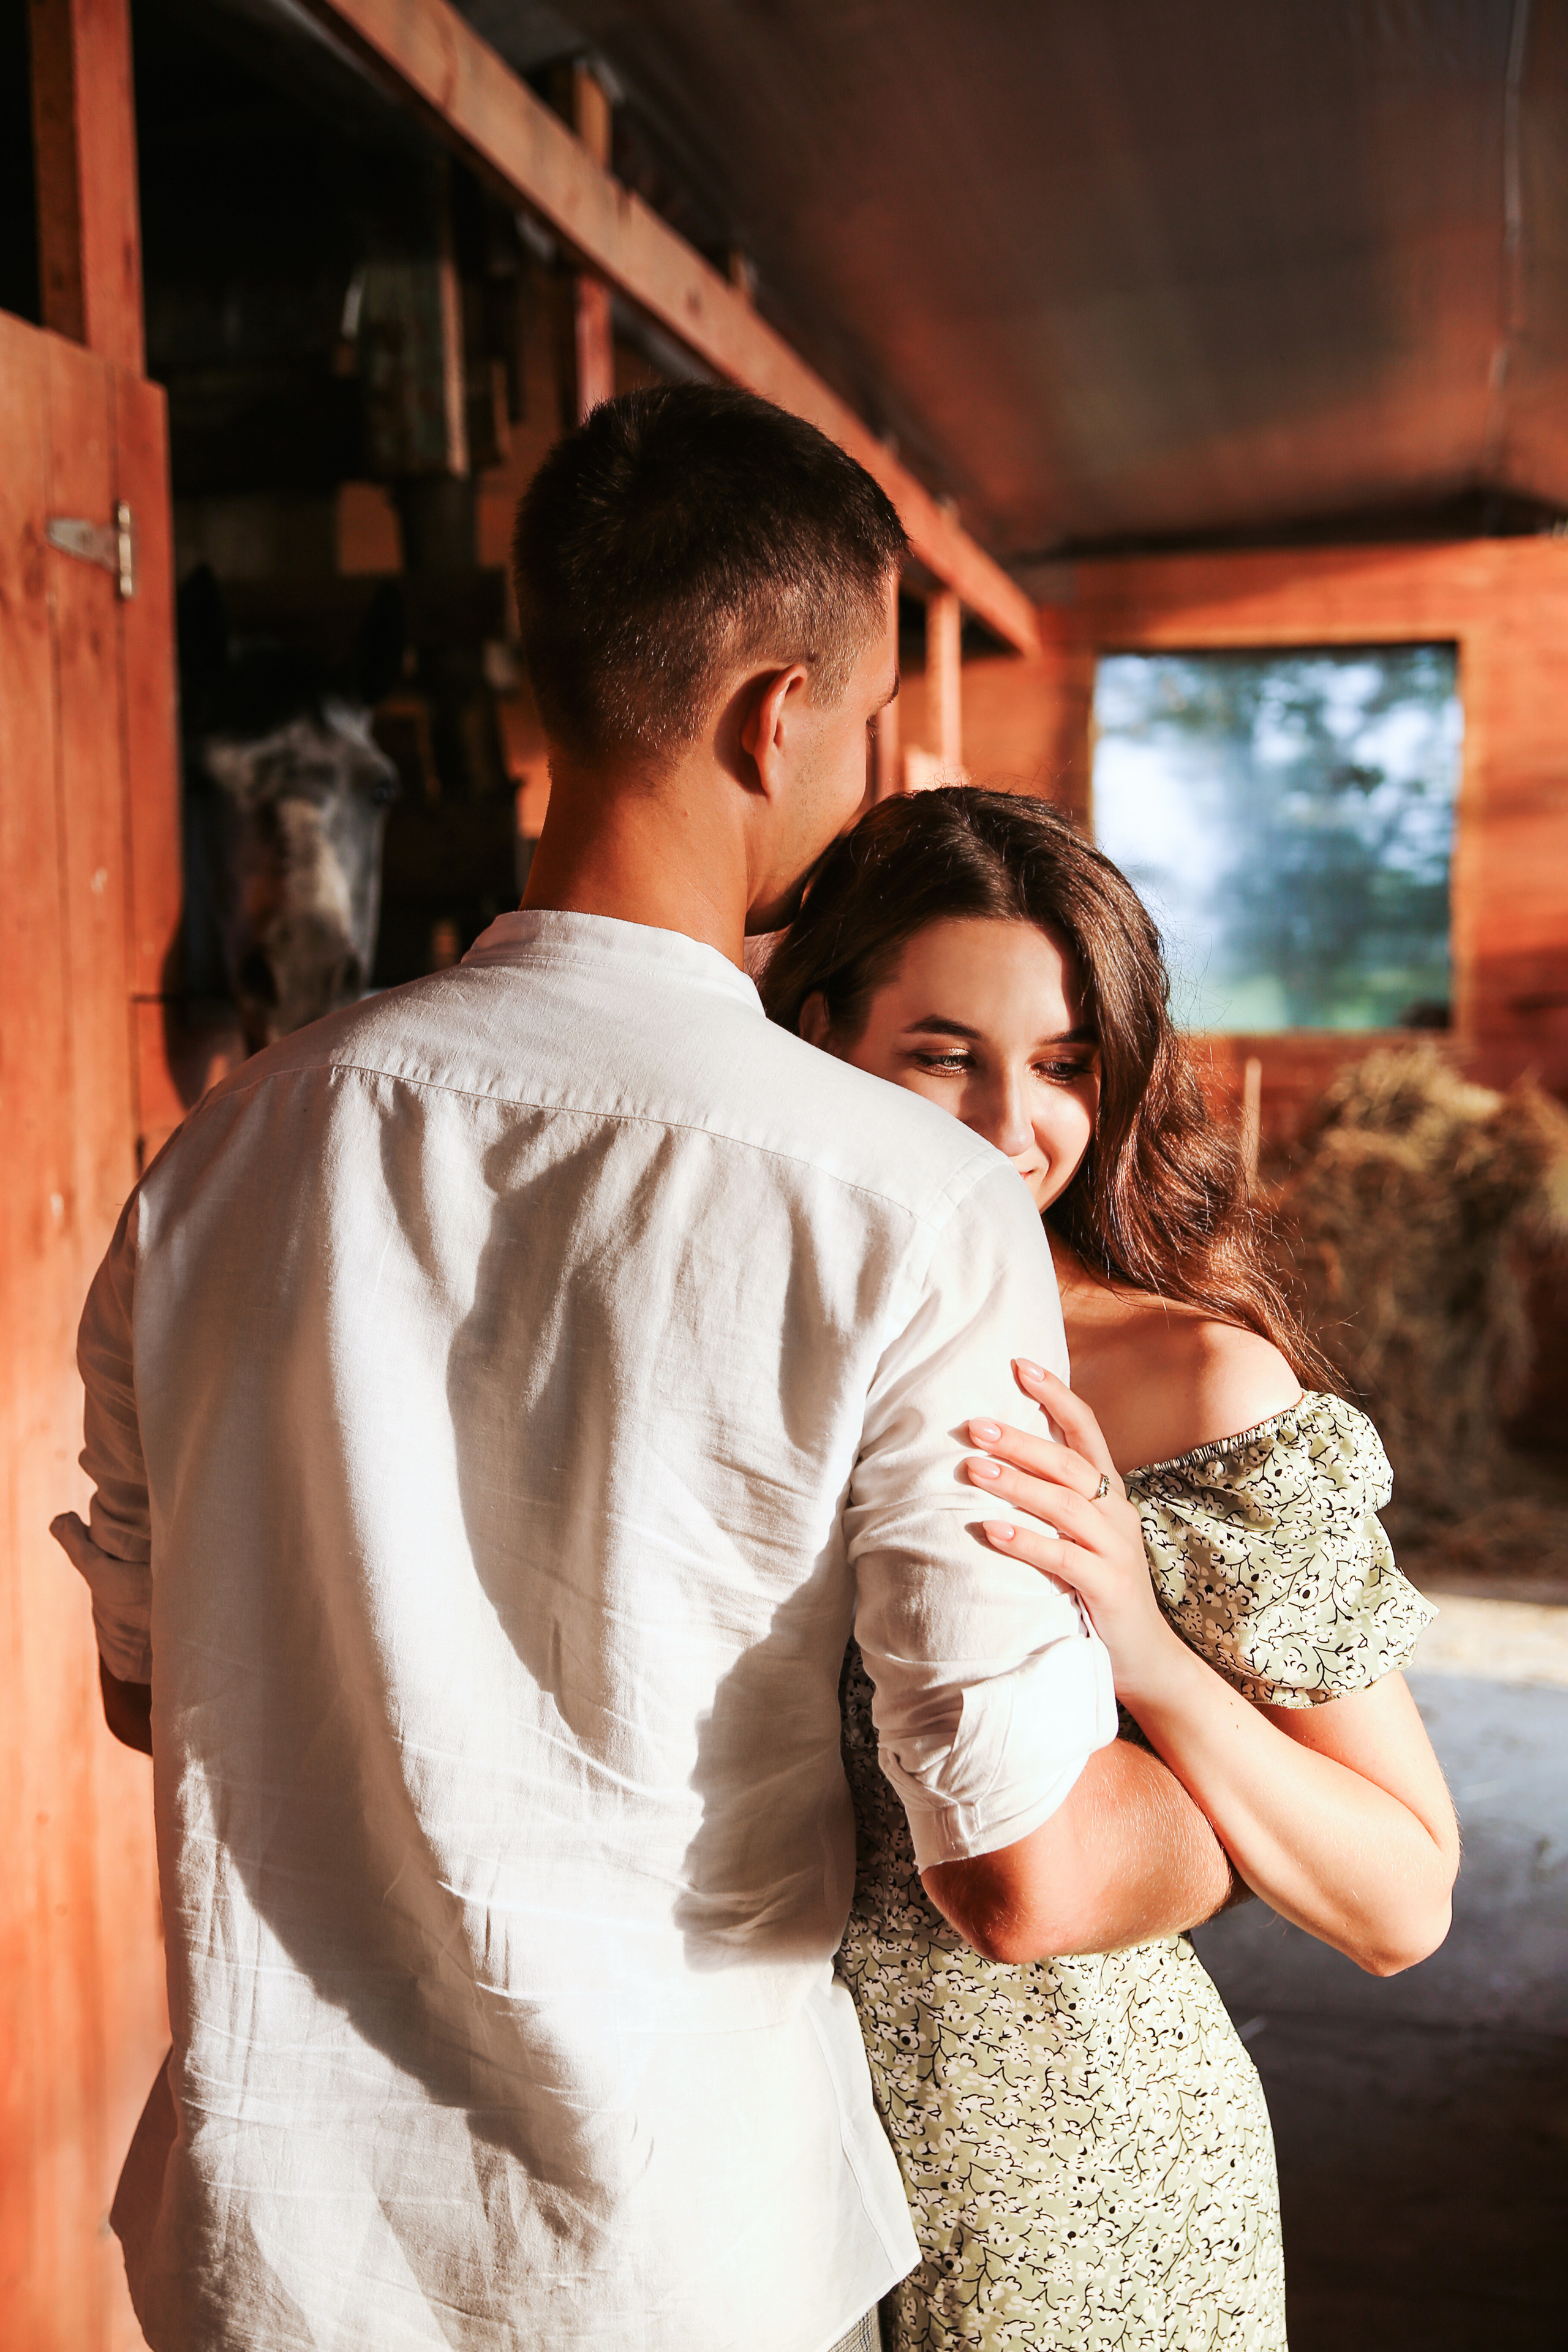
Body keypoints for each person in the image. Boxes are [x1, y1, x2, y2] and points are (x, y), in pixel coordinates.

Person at [49, 392, 1241, 2352]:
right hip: (671, 2266)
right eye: (859, 732)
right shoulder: (902, 1204)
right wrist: (1256, 1792)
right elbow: (1020, 1874)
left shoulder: (226, 1155)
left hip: (272, 2251)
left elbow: (145, 1687)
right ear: (778, 717)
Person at [762, 786, 1460, 2352]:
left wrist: (1146, 1645)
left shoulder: (1192, 1386)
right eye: (943, 1054)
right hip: (753, 2175)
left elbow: (1399, 1894)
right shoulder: (733, 1315)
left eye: (1065, 1066)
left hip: (1075, 2192)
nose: (1012, 1127)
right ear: (818, 1037)